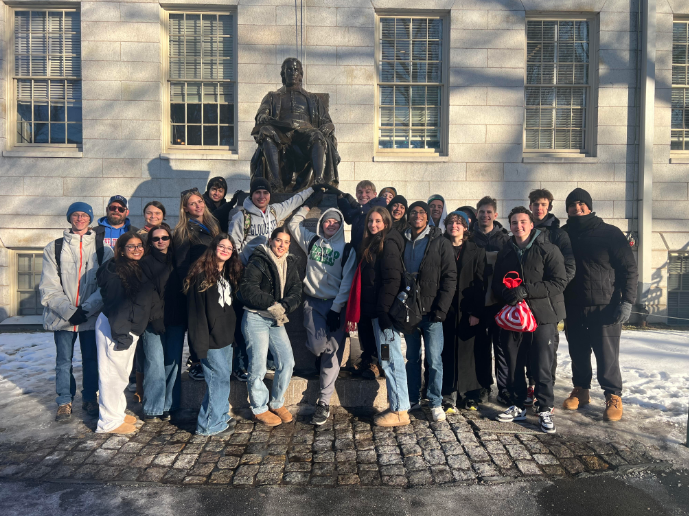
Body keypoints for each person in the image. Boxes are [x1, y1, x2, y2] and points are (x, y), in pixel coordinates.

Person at [561, 188, 638, 422]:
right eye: (572, 205)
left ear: (589, 206)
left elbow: (629, 270)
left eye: (581, 204)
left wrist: (627, 301)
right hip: (573, 305)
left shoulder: (610, 233)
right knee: (578, 352)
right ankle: (581, 390)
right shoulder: (563, 234)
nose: (577, 208)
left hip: (605, 306)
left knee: (607, 355)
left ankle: (613, 395)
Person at [492, 207, 567, 434]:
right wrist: (507, 293)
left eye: (523, 221)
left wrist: (525, 291)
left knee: (542, 363)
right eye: (514, 222)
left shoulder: (548, 249)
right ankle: (518, 403)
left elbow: (558, 282)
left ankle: (544, 407)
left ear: (531, 224)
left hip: (542, 315)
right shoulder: (506, 251)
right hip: (514, 317)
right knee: (514, 363)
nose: (518, 226)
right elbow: (497, 282)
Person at [39, 202, 114, 422]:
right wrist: (69, 312)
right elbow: (49, 286)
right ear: (69, 218)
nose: (80, 218)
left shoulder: (103, 249)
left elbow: (106, 286)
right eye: (75, 215)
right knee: (63, 361)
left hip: (90, 317)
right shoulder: (54, 247)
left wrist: (87, 309)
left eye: (84, 215)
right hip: (63, 318)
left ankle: (90, 397)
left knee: (91, 360)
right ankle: (64, 400)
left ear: (90, 219)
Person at [289, 202, 357, 425]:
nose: (331, 224)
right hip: (313, 303)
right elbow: (293, 224)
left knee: (333, 354)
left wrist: (337, 309)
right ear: (322, 223)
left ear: (340, 226)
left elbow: (347, 281)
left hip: (336, 305)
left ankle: (323, 402)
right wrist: (307, 206)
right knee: (319, 347)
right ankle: (329, 356)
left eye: (336, 222)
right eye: (328, 220)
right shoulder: (313, 242)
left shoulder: (347, 250)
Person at [348, 206, 410, 427]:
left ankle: (401, 410)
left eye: (377, 221)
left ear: (386, 222)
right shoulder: (375, 243)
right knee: (386, 359)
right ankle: (397, 405)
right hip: (378, 315)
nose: (373, 225)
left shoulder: (388, 244)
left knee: (392, 361)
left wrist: (383, 312)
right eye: (370, 221)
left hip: (385, 317)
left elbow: (391, 280)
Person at [239, 227, 301, 426]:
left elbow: (296, 290)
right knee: (257, 366)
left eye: (286, 242)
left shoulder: (290, 262)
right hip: (256, 317)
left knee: (287, 361)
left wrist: (284, 305)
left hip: (276, 318)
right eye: (278, 240)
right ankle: (259, 408)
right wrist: (273, 303)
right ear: (271, 240)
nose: (282, 245)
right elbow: (248, 288)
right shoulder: (259, 259)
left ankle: (276, 402)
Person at [401, 201, 457, 422]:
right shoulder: (401, 240)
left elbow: (450, 277)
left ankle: (434, 401)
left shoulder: (440, 242)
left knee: (434, 360)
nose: (417, 216)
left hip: (433, 312)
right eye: (413, 212)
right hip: (410, 311)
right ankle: (413, 398)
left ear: (428, 217)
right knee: (412, 358)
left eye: (421, 212)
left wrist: (442, 309)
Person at [95, 232, 155, 434]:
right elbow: (116, 306)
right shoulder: (116, 272)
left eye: (140, 245)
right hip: (117, 328)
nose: (137, 249)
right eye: (131, 246)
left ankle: (117, 414)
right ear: (120, 250)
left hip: (127, 327)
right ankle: (109, 423)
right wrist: (121, 334)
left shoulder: (133, 267)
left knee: (121, 374)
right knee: (112, 375)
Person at [185, 234, 244, 436]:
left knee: (222, 378)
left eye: (229, 248)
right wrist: (199, 346)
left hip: (225, 337)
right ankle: (208, 424)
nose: (225, 250)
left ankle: (219, 415)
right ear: (214, 247)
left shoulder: (226, 273)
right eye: (222, 246)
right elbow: (196, 314)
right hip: (210, 340)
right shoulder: (201, 275)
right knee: (217, 379)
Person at [525, 188, 576, 406]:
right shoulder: (523, 228)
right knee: (527, 346)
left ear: (549, 207)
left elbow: (569, 268)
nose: (539, 208)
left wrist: (554, 288)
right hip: (525, 299)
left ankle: (545, 392)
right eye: (536, 204)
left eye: (543, 204)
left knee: (547, 348)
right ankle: (530, 384)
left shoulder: (559, 234)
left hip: (548, 301)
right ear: (530, 206)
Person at [139, 223, 187, 422]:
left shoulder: (178, 260)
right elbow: (147, 294)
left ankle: (169, 405)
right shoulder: (145, 262)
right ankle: (152, 407)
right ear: (150, 242)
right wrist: (155, 318)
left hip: (176, 319)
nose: (161, 241)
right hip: (153, 322)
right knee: (154, 364)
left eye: (164, 238)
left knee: (172, 363)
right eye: (156, 238)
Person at [440, 211, 486, 413]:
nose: (454, 226)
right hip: (445, 308)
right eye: (451, 222)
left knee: (469, 352)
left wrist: (476, 311)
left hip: (468, 309)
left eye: (459, 223)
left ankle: (470, 394)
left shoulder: (476, 251)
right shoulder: (439, 247)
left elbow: (480, 283)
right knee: (446, 351)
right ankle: (448, 393)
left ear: (466, 227)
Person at [173, 188, 220, 382]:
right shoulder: (184, 231)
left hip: (215, 282)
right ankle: (196, 362)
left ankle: (211, 359)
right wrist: (190, 284)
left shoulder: (213, 224)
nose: (198, 206)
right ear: (185, 208)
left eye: (200, 201)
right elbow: (182, 263)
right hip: (197, 285)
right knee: (198, 324)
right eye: (193, 203)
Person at [472, 196, 510, 404]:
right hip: (478, 301)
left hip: (498, 302)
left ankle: (503, 388)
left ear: (495, 215)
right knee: (481, 346)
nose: (485, 215)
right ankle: (483, 386)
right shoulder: (470, 238)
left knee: (501, 347)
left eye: (489, 212)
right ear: (476, 213)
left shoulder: (504, 239)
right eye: (481, 211)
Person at [229, 177, 315, 265]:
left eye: (265, 193)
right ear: (252, 194)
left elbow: (292, 202)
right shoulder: (240, 217)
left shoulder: (274, 211)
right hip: (250, 268)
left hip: (272, 266)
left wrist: (312, 189)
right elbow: (232, 247)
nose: (262, 196)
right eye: (258, 192)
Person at [334, 180, 387, 250]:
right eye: (360, 192)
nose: (363, 195)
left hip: (371, 252)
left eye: (367, 192)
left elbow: (356, 211)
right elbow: (349, 217)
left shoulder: (380, 205)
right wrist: (343, 199)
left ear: (375, 194)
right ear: (356, 194)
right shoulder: (358, 212)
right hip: (357, 253)